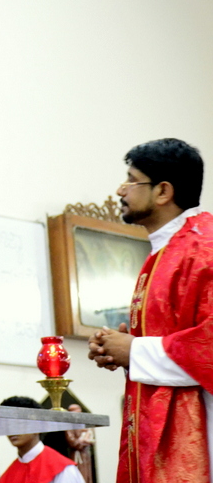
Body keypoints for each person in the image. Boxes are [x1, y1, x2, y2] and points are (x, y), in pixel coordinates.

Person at [88, 138, 212, 483]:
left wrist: (135, 351)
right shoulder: (167, 249)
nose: (120, 190)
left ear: (163, 192)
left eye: (131, 180)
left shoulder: (203, 249)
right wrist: (119, 348)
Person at [0, 396, 84, 483]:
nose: (12, 430)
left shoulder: (61, 469)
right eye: (7, 424)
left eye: (19, 423)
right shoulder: (7, 476)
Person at [64, 404, 94, 483]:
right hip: (76, 454)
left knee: (87, 475)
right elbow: (71, 441)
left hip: (86, 454)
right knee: (79, 474)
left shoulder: (84, 424)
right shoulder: (69, 426)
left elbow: (91, 437)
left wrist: (89, 440)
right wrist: (82, 442)